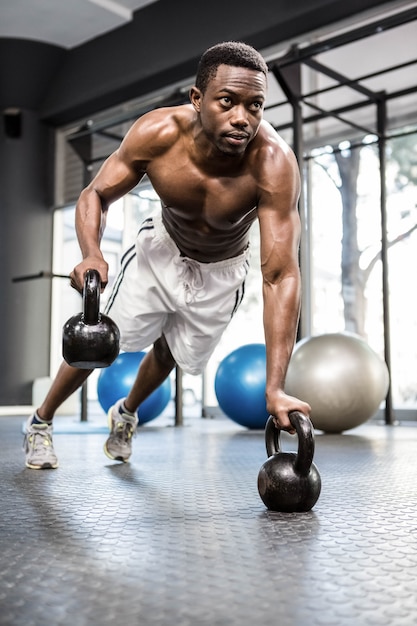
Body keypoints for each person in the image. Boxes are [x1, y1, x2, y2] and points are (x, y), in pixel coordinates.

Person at [23, 41, 311, 469]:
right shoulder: (158, 135)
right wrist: (90, 253)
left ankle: (125, 414)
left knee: (170, 353)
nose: (242, 118)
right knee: (100, 337)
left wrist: (275, 387)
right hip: (161, 250)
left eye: (255, 106)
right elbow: (97, 194)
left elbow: (281, 275)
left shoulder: (273, 164)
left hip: (223, 268)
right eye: (228, 101)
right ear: (198, 99)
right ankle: (41, 423)